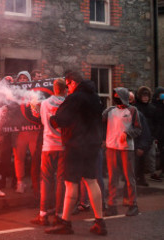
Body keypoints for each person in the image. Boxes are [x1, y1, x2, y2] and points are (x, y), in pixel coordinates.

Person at [45, 70, 107, 236]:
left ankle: (65, 223)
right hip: (92, 144)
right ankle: (99, 223)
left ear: (71, 82)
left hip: (76, 145)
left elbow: (61, 120)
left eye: (68, 85)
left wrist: (51, 118)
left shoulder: (75, 97)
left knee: (70, 183)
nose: (68, 89)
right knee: (91, 181)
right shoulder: (94, 97)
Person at [29, 78, 66, 226]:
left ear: (54, 88)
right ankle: (58, 214)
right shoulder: (67, 104)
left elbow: (39, 118)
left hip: (48, 146)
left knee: (46, 180)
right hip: (63, 146)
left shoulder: (44, 103)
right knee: (60, 180)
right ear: (65, 90)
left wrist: (33, 105)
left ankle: (43, 214)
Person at [103, 87, 141, 217]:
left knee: (129, 178)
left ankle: (133, 205)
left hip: (126, 148)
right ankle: (112, 205)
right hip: (111, 147)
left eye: (118, 95)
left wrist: (128, 133)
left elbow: (138, 129)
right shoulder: (109, 111)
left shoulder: (132, 110)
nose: (116, 97)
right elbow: (99, 123)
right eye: (115, 95)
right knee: (112, 178)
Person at [12, 71, 39, 194]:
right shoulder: (13, 93)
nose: (23, 80)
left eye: (25, 78)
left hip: (33, 130)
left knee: (36, 157)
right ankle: (20, 182)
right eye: (20, 78)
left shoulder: (35, 93)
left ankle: (36, 182)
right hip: (20, 131)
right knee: (19, 157)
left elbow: (38, 111)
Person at [134, 86, 157, 186]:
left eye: (147, 96)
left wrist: (154, 136)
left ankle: (141, 177)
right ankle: (137, 177)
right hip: (137, 136)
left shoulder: (152, 108)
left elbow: (156, 123)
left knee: (146, 158)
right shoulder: (135, 108)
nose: (145, 98)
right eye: (143, 96)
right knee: (136, 159)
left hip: (149, 136)